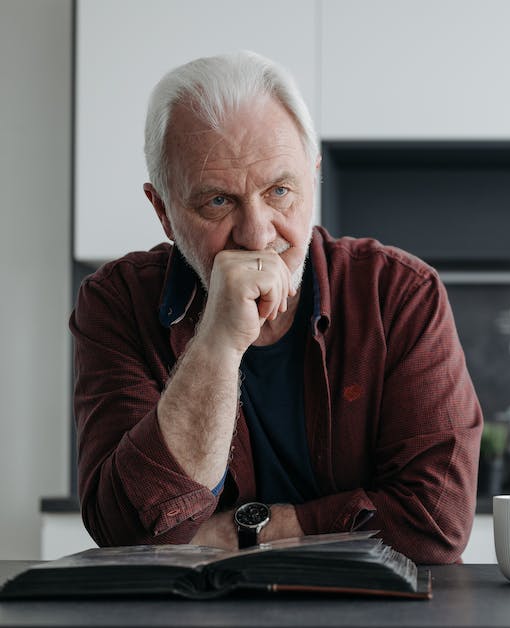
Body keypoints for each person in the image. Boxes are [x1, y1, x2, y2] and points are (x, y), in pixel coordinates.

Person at [69, 51, 483, 564]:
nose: (257, 234)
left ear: (314, 178)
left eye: (280, 191)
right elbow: (128, 530)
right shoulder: (117, 303)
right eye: (217, 201)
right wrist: (218, 343)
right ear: (163, 211)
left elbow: (435, 523)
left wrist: (252, 534)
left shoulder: (399, 294)